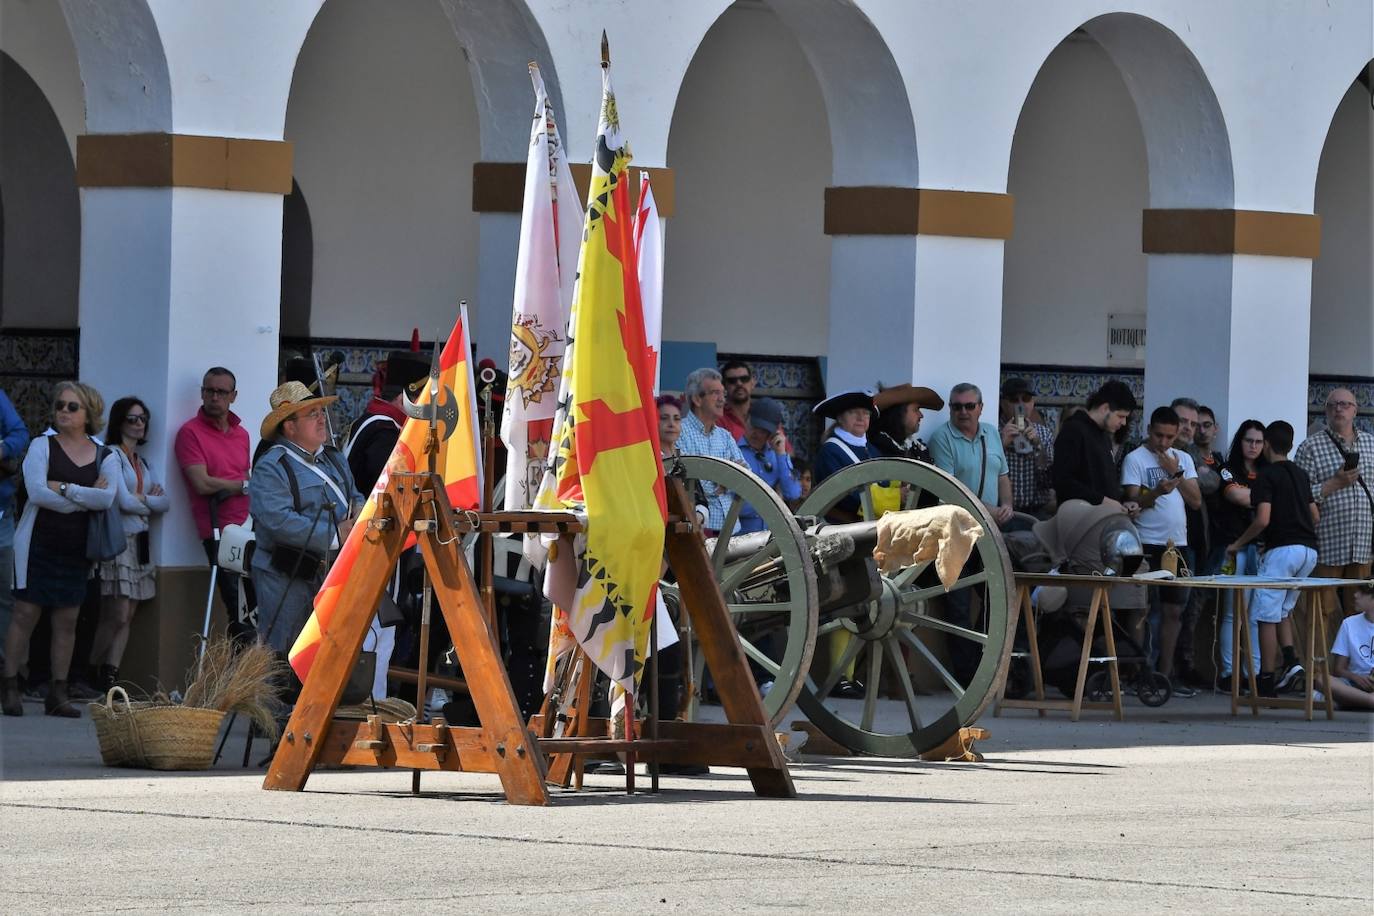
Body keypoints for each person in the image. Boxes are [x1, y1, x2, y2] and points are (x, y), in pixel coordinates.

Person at [1, 382, 119, 718]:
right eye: (60, 406)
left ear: (88, 414)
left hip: (77, 549)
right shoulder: (42, 445)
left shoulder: (104, 454)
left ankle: (58, 691)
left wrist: (65, 488)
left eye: (72, 407)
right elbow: (37, 493)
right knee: (25, 614)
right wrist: (84, 498)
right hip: (38, 545)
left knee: (67, 620)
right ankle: (9, 686)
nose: (63, 412)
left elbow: (107, 498)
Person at [248, 381, 361, 656]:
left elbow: (354, 494)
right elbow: (279, 521)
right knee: (283, 656)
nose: (322, 418)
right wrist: (336, 534)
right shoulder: (270, 467)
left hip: (331, 572)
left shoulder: (334, 459)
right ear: (289, 426)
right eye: (312, 414)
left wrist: (359, 512)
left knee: (328, 654)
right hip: (287, 576)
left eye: (321, 411)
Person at [342, 351, 428, 701]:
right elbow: (391, 495)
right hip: (374, 543)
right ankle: (368, 708)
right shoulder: (385, 431)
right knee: (375, 634)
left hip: (371, 540)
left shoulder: (375, 422)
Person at [1226, 421, 1319, 698]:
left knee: (1264, 616)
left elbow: (1263, 519)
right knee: (1282, 611)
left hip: (1282, 551)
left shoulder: (1266, 476)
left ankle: (1265, 678)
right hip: (1308, 552)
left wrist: (1237, 544)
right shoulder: (1301, 474)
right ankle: (1291, 662)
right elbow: (1315, 516)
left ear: (1266, 444)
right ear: (1290, 445)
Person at [89, 398, 170, 693]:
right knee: (117, 612)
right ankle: (89, 667)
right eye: (132, 419)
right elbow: (120, 500)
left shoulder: (143, 462)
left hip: (142, 542)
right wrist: (149, 500)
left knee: (130, 613)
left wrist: (142, 501)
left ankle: (109, 676)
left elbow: (166, 503)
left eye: (143, 419)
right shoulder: (111, 455)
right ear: (119, 421)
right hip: (119, 541)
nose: (139, 424)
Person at [1121, 405, 1201, 696]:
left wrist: (1173, 470)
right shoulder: (1135, 459)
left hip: (1176, 544)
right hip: (1143, 542)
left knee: (1173, 610)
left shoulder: (1184, 459)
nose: (1164, 443)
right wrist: (1156, 491)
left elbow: (1195, 501)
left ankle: (1164, 675)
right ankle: (1137, 673)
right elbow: (1131, 503)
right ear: (1149, 430)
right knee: (1140, 608)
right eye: (1158, 436)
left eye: (1170, 436)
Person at [175, 367, 253, 644]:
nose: (214, 397)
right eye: (209, 390)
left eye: (221, 392)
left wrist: (241, 485)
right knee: (237, 604)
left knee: (252, 605)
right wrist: (240, 486)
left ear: (233, 396)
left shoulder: (241, 434)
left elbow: (246, 476)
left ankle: (245, 676)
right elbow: (202, 484)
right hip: (218, 530)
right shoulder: (190, 433)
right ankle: (239, 679)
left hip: (249, 526)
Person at [810, 389, 880, 698]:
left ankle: (854, 674)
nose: (861, 419)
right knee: (844, 606)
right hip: (838, 533)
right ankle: (840, 677)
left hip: (867, 532)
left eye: (865, 414)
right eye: (855, 413)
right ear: (841, 418)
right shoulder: (831, 452)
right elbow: (850, 494)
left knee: (866, 605)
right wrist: (893, 495)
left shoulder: (872, 450)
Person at [1293, 387, 1374, 634]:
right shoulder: (1310, 447)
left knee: (1361, 611)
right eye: (1333, 405)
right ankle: (1318, 668)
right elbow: (1300, 496)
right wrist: (1334, 484)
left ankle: (1356, 667)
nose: (1339, 409)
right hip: (1327, 541)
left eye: (1345, 404)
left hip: (1364, 543)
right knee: (1321, 610)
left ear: (1355, 410)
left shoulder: (1372, 443)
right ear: (1326, 411)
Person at [1213, 420, 1267, 692]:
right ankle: (1228, 674)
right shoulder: (1227, 468)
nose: (1254, 446)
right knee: (1233, 614)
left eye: (1258, 442)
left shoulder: (1268, 470)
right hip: (1234, 546)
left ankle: (1253, 674)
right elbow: (1237, 497)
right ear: (1240, 441)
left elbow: (1249, 497)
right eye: (1249, 441)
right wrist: (1267, 497)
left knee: (1255, 615)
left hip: (1261, 550)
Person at [928, 383, 1015, 527]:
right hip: (959, 526)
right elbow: (950, 490)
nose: (963, 411)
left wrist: (1007, 505)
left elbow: (1002, 476)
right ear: (950, 408)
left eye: (969, 406)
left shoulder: (991, 432)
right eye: (957, 407)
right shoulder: (941, 438)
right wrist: (989, 512)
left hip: (991, 525)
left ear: (980, 408)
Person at [344, 350, 429, 493]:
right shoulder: (385, 431)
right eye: (421, 402)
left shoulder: (372, 420)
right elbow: (389, 486)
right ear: (403, 401)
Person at [677, 368, 746, 535]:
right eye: (715, 393)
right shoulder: (680, 432)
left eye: (723, 393)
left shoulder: (725, 436)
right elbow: (689, 482)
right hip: (700, 529)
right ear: (696, 399)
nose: (722, 399)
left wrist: (722, 479)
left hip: (732, 529)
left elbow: (746, 476)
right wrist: (727, 476)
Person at [1053, 379, 1137, 509]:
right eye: (1120, 416)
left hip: (1102, 519)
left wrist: (1122, 504)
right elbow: (1063, 481)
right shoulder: (1073, 430)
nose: (1124, 423)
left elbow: (1104, 485)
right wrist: (1103, 501)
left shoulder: (1104, 436)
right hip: (1079, 520)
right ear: (1105, 408)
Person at [0, 387, 31, 670]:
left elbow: (20, 433)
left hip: (1, 517)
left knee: (5, 597)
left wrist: (1, 448)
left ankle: (9, 673)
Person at [735, 398, 800, 534]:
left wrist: (781, 454)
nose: (756, 433)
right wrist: (771, 501)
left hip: (772, 539)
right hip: (740, 539)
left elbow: (793, 493)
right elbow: (734, 505)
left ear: (773, 432)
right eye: (754, 426)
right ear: (746, 419)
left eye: (763, 430)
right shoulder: (733, 451)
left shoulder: (776, 455)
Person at [999, 377, 1055, 517]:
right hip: (1004, 512)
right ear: (1003, 404)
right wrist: (1001, 444)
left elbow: (1049, 479)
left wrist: (1037, 444)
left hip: (1038, 511)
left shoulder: (1043, 433)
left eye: (1026, 399)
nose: (1021, 405)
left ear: (1032, 403)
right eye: (1014, 400)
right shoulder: (992, 431)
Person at [1319, 582, 1374, 710]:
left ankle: (1351, 701)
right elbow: (1339, 669)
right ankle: (1369, 701)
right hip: (1353, 683)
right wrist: (1356, 677)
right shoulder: (1349, 623)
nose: (1355, 595)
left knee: (1321, 698)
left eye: (1362, 593)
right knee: (1321, 680)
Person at [872, 383, 943, 463]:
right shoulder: (880, 447)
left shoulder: (915, 447)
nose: (921, 415)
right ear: (899, 414)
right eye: (916, 410)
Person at [717, 360, 755, 442]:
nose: (739, 383)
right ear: (723, 386)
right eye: (732, 381)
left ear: (752, 382)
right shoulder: (717, 418)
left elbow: (785, 450)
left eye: (744, 379)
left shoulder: (766, 414)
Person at [656, 394, 683, 459]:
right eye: (664, 418)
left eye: (676, 419)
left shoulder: (686, 458)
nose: (672, 424)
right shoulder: (648, 457)